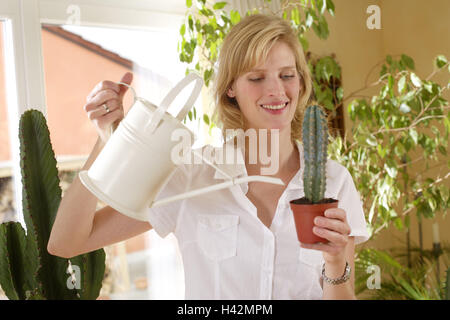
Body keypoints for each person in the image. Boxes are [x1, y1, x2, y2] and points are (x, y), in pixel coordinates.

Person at [48, 14, 369, 300]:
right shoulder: (190, 175)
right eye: (257, 78)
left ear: (300, 81)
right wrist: (107, 142)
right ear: (231, 87)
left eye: (287, 75)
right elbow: (67, 242)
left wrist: (336, 262)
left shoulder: (335, 181)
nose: (276, 90)